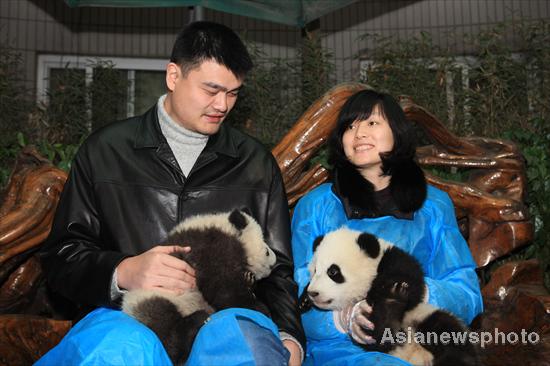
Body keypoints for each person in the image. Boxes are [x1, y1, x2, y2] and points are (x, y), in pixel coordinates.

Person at [37, 21, 304, 366]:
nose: (222, 105)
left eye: (234, 92)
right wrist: (124, 270)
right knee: (118, 351)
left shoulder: (255, 164)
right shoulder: (106, 151)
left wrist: (289, 337)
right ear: (174, 76)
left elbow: (278, 270)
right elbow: (62, 259)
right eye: (211, 90)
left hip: (227, 321)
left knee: (247, 347)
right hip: (127, 320)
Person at [291, 89, 483, 365]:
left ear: (397, 131)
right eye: (350, 126)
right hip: (338, 350)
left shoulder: (433, 205)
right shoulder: (316, 207)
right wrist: (342, 318)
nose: (359, 134)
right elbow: (297, 290)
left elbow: (467, 292)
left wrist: (418, 293)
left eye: (371, 123)